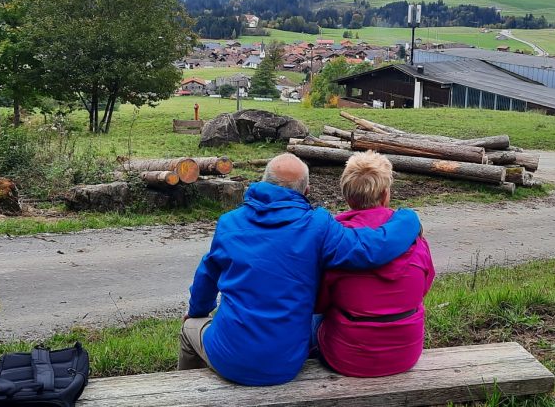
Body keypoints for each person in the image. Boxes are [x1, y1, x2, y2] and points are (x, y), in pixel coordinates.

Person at [179, 153, 423, 386]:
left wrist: (197, 311)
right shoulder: (318, 226)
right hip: (286, 364)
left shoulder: (229, 223)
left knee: (190, 327)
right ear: (306, 191)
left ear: (263, 181)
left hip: (229, 358)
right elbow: (370, 248)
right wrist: (408, 219)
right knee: (317, 318)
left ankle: (185, 388)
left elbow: (207, 275)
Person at [314, 151, 435, 377]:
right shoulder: (415, 238)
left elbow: (319, 304)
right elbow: (424, 288)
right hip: (406, 354)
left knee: (311, 318)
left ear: (348, 197)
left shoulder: (335, 242)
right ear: (386, 194)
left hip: (347, 358)